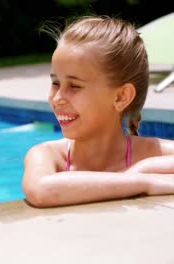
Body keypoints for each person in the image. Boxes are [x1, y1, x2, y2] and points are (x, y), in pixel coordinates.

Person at [22, 15, 174, 208]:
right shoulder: (48, 155)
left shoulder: (149, 154)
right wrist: (142, 180)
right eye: (55, 83)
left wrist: (146, 167)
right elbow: (41, 190)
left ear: (121, 97)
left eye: (74, 86)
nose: (57, 97)